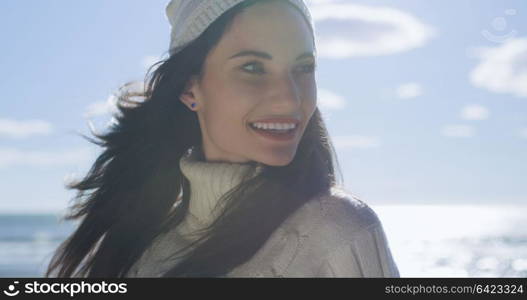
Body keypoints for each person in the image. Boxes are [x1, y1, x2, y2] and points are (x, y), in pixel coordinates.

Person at [45, 0, 400, 278]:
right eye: (252, 68)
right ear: (190, 88)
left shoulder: (338, 231)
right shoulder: (145, 245)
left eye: (303, 68)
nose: (290, 99)